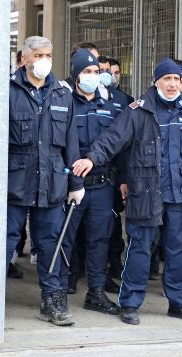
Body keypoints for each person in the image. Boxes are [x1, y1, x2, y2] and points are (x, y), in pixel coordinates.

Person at [73, 58, 182, 325]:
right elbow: (112, 140)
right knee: (140, 248)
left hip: (178, 195)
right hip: (147, 194)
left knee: (175, 250)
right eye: (168, 79)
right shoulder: (139, 111)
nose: (173, 84)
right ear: (157, 82)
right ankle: (130, 304)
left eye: (177, 80)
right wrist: (92, 159)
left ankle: (178, 304)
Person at [0, 35, 84, 326]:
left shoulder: (62, 93)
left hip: (52, 182)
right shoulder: (6, 90)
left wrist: (76, 184)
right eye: (38, 55)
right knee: (4, 242)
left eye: (48, 55)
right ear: (24, 58)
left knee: (51, 243)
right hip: (14, 181)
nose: (44, 61)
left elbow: (71, 142)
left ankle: (52, 301)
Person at [59, 49, 121, 315]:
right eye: (87, 72)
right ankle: (57, 292)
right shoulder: (64, 105)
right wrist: (72, 182)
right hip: (71, 186)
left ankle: (95, 293)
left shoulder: (107, 107)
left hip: (102, 186)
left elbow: (117, 146)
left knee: (99, 240)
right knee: (64, 239)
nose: (93, 77)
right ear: (75, 75)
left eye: (96, 72)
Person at [97, 55, 134, 281]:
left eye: (110, 71)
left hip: (114, 172)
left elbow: (127, 146)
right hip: (91, 172)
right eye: (101, 70)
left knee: (112, 229)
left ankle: (113, 267)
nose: (107, 75)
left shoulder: (124, 100)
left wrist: (124, 177)